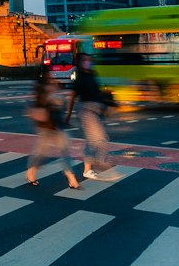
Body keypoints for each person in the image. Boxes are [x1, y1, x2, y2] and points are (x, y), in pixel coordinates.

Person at [25, 67, 81, 190]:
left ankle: (71, 177)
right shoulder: (40, 89)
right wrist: (48, 95)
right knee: (41, 153)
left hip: (57, 125)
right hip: (46, 126)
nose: (51, 76)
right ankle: (31, 170)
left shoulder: (54, 86)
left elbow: (61, 106)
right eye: (49, 74)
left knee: (65, 151)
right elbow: (39, 105)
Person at [74, 51, 122, 181]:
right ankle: (100, 165)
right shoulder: (79, 77)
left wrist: (110, 103)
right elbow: (74, 96)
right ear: (79, 62)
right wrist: (68, 116)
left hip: (96, 110)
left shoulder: (92, 74)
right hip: (86, 111)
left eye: (89, 60)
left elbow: (97, 93)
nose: (88, 62)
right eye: (85, 60)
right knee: (100, 140)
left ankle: (88, 170)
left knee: (92, 142)